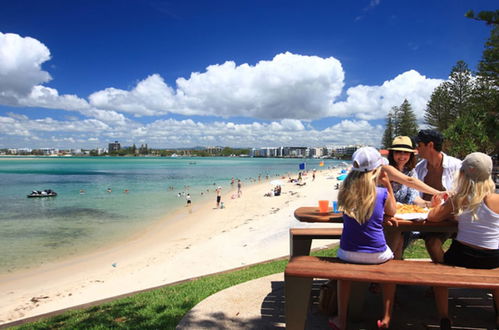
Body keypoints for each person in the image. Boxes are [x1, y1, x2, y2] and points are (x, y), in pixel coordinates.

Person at [427, 152, 499, 329]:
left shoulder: (458, 199)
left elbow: (432, 218)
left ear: (463, 174)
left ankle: (444, 316)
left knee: (434, 244)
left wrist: (436, 205)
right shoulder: (496, 199)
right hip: (493, 259)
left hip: (461, 257)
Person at [330, 147, 397, 330]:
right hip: (377, 254)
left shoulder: (345, 191)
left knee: (343, 277)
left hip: (346, 253)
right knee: (392, 268)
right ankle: (386, 317)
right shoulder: (381, 193)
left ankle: (341, 320)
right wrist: (387, 183)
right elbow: (393, 211)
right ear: (377, 170)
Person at [414, 129, 462, 262]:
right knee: (432, 242)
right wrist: (430, 204)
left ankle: (446, 279)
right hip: (429, 219)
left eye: (419, 145)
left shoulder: (457, 166)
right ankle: (444, 279)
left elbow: (466, 194)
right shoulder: (419, 168)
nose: (416, 148)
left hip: (454, 218)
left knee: (462, 247)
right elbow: (415, 198)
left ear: (430, 145)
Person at [386, 136, 426, 259]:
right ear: (392, 153)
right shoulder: (387, 169)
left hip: (403, 219)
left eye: (406, 153)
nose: (402, 156)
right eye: (398, 152)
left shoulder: (411, 171)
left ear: (411, 155)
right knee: (397, 242)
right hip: (386, 217)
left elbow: (414, 198)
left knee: (400, 241)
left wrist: (430, 203)